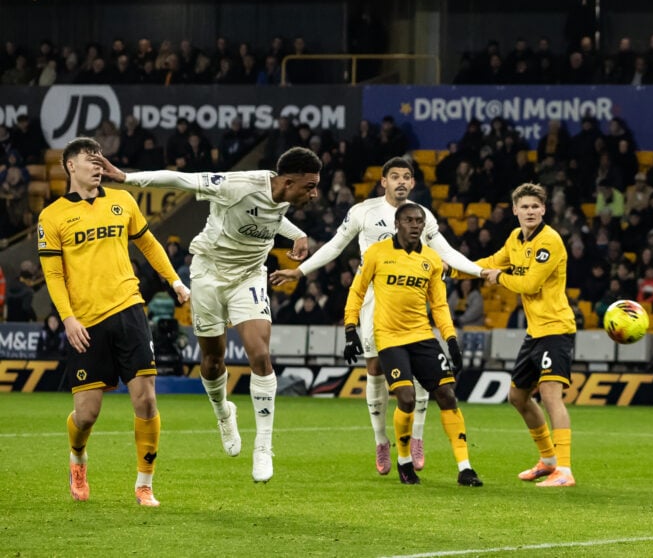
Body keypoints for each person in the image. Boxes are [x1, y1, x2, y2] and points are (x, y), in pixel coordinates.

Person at [97, 146, 321, 483]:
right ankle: (222, 411)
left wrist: (297, 234)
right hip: (209, 273)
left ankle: (263, 445)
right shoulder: (236, 185)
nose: (314, 194)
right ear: (288, 181)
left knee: (260, 353)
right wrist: (127, 178)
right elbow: (180, 180)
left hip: (249, 276)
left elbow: (272, 215)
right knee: (213, 359)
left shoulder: (285, 196)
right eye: (310, 187)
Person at [268, 156, 483, 476]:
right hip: (372, 298)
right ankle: (382, 441)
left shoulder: (421, 216)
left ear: (412, 183)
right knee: (374, 368)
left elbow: (446, 252)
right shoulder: (362, 211)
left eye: (406, 177)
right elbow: (335, 245)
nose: (400, 181)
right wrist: (300, 271)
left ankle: (417, 438)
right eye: (394, 176)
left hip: (411, 297)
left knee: (425, 373)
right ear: (383, 181)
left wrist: (481, 271)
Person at [38, 137, 191, 507]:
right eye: (90, 159)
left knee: (146, 399)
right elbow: (54, 275)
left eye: (100, 159)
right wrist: (68, 319)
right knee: (87, 414)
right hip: (86, 323)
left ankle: (144, 484)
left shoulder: (122, 201)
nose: (97, 164)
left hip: (129, 309)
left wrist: (175, 281)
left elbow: (150, 244)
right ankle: (77, 458)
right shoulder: (52, 216)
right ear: (70, 166)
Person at [343, 203, 482, 487]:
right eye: (409, 220)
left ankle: (465, 468)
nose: (415, 224)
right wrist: (350, 328)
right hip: (390, 338)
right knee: (406, 398)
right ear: (397, 224)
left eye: (419, 220)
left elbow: (440, 305)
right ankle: (404, 462)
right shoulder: (376, 254)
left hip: (422, 336)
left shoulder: (431, 259)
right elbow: (356, 291)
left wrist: (451, 338)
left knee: (447, 394)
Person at [463, 182, 578, 487]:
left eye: (535, 206)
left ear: (544, 209)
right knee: (517, 396)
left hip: (556, 329)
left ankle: (564, 470)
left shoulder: (550, 241)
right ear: (514, 210)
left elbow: (530, 285)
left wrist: (499, 278)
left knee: (552, 397)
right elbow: (490, 263)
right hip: (535, 332)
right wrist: (452, 268)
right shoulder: (515, 238)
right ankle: (548, 460)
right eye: (524, 206)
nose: (530, 211)